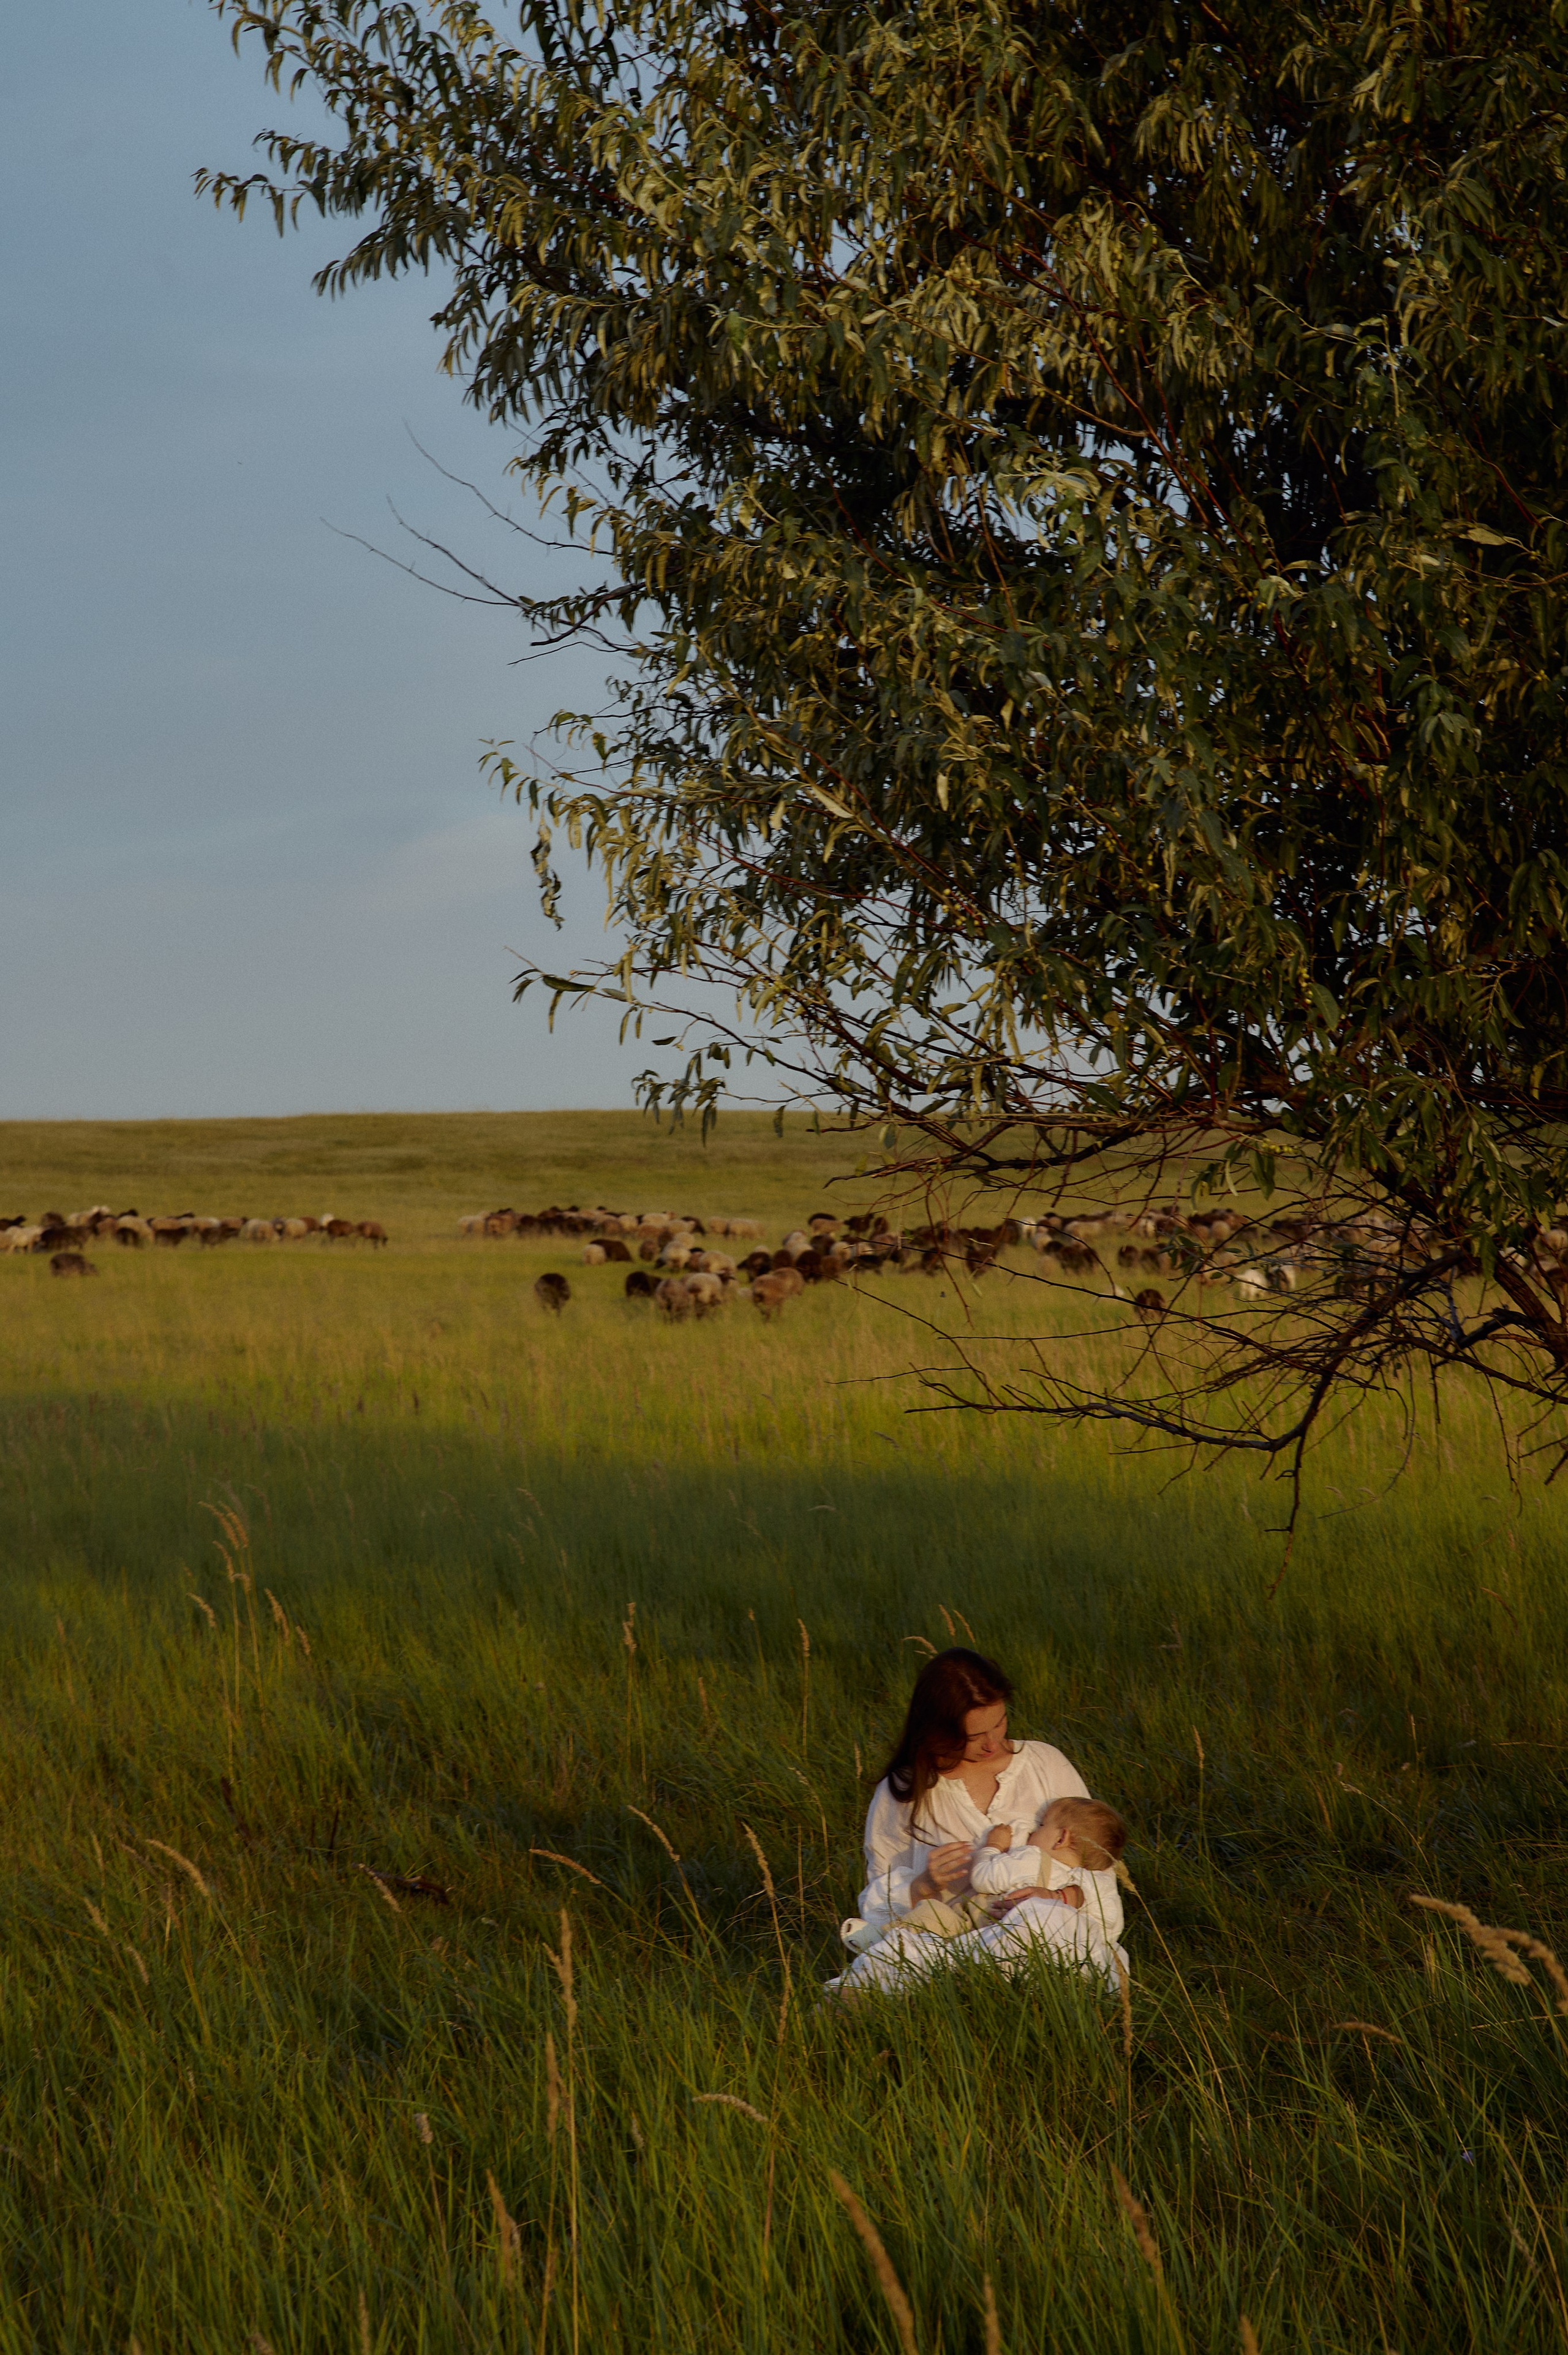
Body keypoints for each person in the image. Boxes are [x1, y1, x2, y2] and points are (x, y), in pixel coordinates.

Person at [827, 1647, 1128, 1998]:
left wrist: (1060, 1896)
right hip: (950, 1939)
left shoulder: (1046, 1764)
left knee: (1044, 1926)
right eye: (973, 1737)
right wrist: (923, 1886)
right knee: (902, 1954)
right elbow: (877, 1902)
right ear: (939, 1732)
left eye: (999, 1723)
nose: (992, 1744)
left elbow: (1099, 1869)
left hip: (1043, 1935)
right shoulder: (905, 1793)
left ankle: (951, 1983)